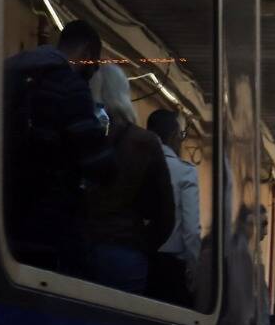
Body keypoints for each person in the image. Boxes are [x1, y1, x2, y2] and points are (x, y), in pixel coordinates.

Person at [5, 20, 115, 271]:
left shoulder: (14, 74)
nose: (95, 68)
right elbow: (97, 162)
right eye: (94, 61)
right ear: (86, 53)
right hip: (49, 221)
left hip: (3, 216)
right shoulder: (69, 86)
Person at [83, 64, 176, 294]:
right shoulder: (144, 142)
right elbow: (165, 212)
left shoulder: (83, 135)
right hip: (127, 252)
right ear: (124, 94)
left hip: (83, 247)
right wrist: (143, 245)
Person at [148, 107, 202, 308]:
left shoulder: (137, 161)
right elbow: (191, 229)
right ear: (173, 136)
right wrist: (194, 269)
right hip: (170, 268)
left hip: (140, 258)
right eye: (182, 135)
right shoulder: (185, 172)